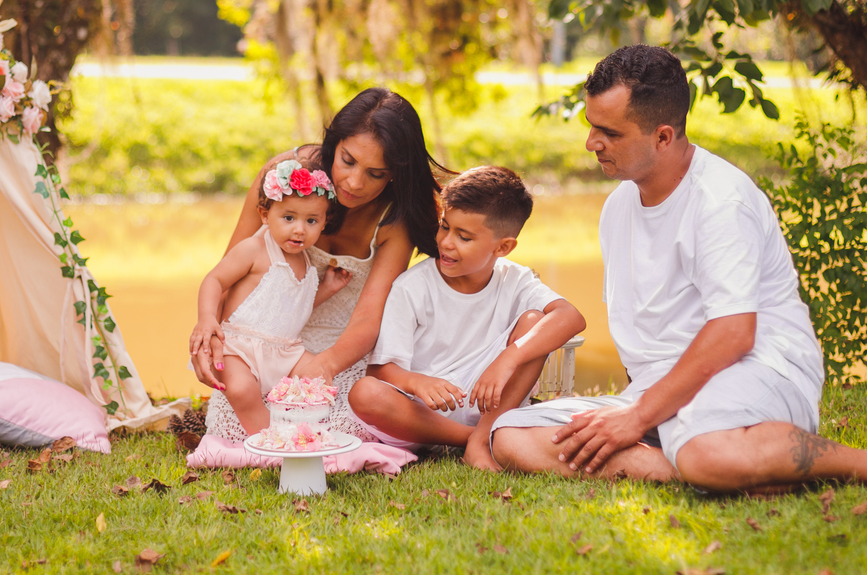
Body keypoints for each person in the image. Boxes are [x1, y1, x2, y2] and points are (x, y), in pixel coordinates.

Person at [490, 45, 867, 491]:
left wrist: (637, 418)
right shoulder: (618, 208)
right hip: (663, 389)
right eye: (590, 127)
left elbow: (734, 333)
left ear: (663, 137)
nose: (591, 143)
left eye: (608, 132)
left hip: (757, 370)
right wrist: (638, 410)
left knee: (708, 450)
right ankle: (692, 469)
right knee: (512, 435)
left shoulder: (720, 201)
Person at [192, 88, 446, 443]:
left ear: (395, 174)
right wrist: (211, 340)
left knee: (339, 422)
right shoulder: (281, 179)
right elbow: (228, 274)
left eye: (376, 173)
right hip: (264, 338)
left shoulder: (394, 220)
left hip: (342, 352)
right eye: (348, 160)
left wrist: (323, 366)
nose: (355, 182)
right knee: (242, 408)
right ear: (333, 142)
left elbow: (369, 319)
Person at [350, 166, 586, 470]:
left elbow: (571, 317)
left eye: (463, 236)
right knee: (365, 393)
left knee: (534, 320)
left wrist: (508, 359)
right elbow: (380, 371)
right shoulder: (412, 287)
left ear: (503, 247)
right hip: (423, 415)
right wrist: (417, 382)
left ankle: (485, 433)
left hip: (491, 404)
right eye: (444, 227)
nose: (446, 242)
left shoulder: (515, 279)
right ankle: (476, 440)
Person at [188, 160, 352, 434]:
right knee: (241, 390)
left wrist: (327, 288)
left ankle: (305, 429)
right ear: (265, 215)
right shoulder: (254, 249)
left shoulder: (307, 261)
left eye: (311, 221)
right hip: (239, 348)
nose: (299, 229)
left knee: (320, 379)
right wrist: (206, 319)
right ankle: (267, 442)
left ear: (324, 223)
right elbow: (214, 279)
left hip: (286, 351)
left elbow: (295, 304)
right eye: (289, 218)